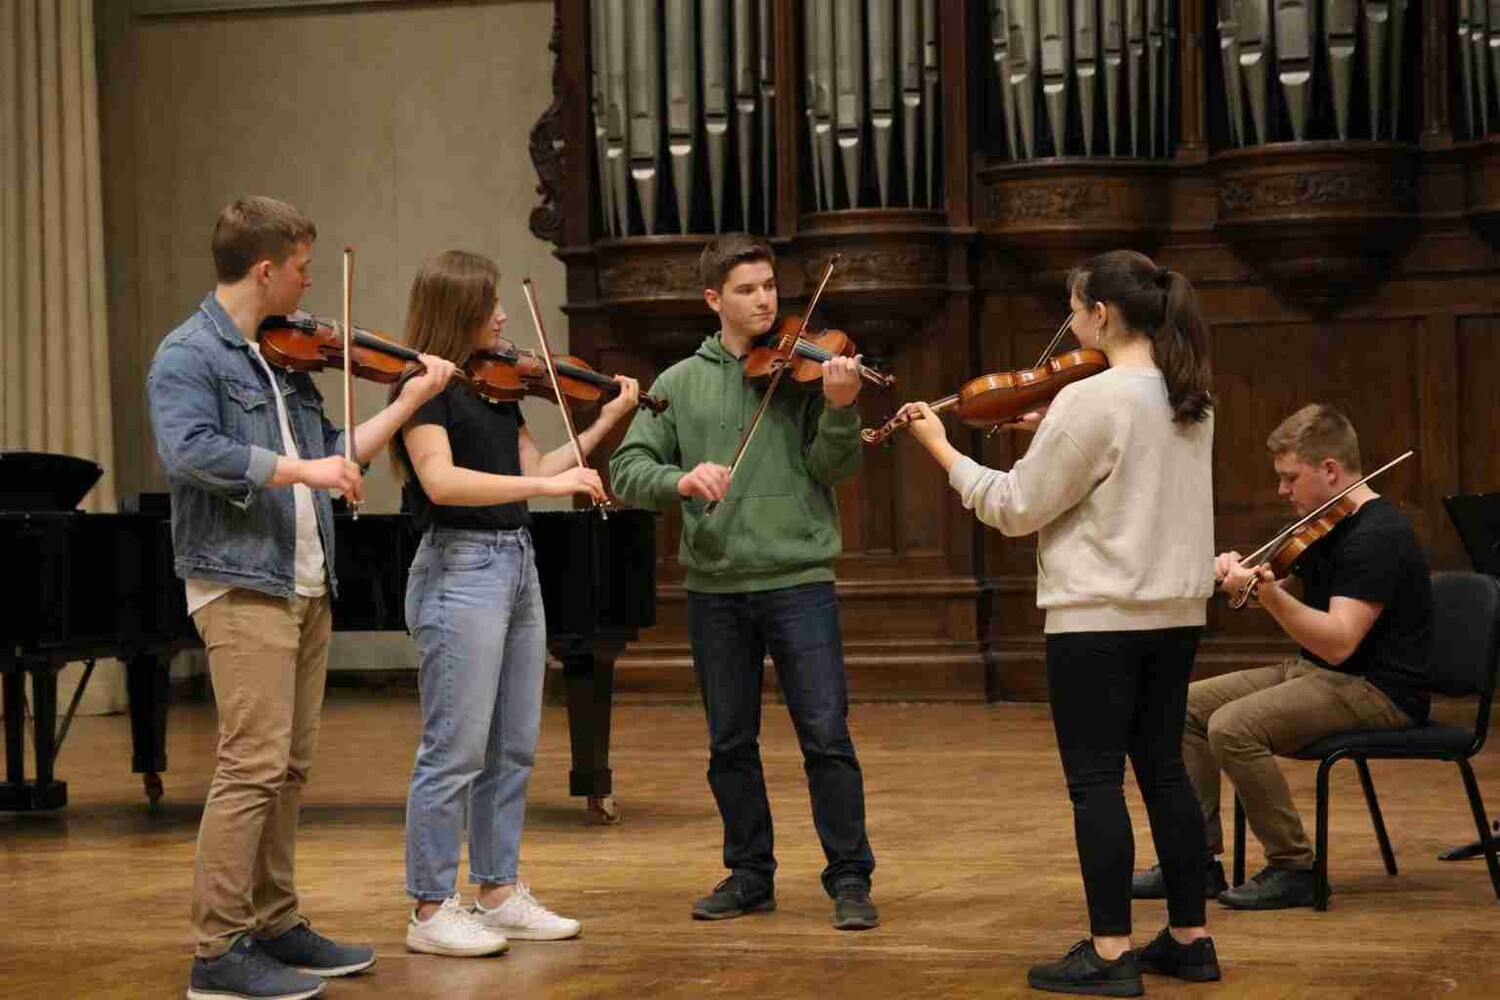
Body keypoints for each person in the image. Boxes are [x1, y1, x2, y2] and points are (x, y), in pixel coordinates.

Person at [149, 195, 458, 1000]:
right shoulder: (189, 355)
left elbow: (334, 454)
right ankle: (218, 950)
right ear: (265, 270)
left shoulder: (283, 359)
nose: (309, 282)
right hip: (242, 581)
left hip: (305, 579)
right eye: (301, 267)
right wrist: (303, 471)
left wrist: (407, 402)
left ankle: (275, 922)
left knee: (287, 769)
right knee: (250, 767)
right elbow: (191, 453)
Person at [900, 249, 1220, 995]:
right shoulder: (1192, 396)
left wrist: (939, 447)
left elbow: (1013, 508)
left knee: (1096, 783)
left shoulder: (1091, 400)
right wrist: (1054, 430)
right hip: (1176, 613)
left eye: (1075, 311)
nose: (1071, 325)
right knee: (1164, 772)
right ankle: (1190, 940)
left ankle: (1110, 954)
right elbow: (1128, 462)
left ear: (1101, 315)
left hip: (1097, 619)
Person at [608, 234, 880, 931]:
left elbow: (834, 469)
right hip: (716, 587)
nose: (764, 301)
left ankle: (850, 877)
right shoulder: (677, 382)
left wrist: (842, 408)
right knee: (730, 742)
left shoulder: (807, 372)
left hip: (799, 579)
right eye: (747, 290)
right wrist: (681, 479)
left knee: (826, 736)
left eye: (769, 287)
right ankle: (750, 874)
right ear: (713, 299)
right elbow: (627, 470)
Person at [390, 250, 639, 956]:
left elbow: (538, 469)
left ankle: (496, 893)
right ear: (456, 311)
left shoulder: (497, 388)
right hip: (459, 566)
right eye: (489, 304)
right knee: (455, 748)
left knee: (513, 745)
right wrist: (548, 490)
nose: (502, 316)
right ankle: (430, 908)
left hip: (516, 563)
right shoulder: (422, 386)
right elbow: (441, 482)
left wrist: (604, 423)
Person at [1132, 403, 1433, 910]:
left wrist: (1268, 595)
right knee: (1179, 709)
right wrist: (1246, 582)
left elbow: (1338, 640)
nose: (1281, 490)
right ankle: (1194, 861)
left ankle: (1295, 868)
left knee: (1233, 727)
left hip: (1378, 689)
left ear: (1330, 470)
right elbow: (1297, 597)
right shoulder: (1328, 525)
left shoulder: (1378, 536)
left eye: (1291, 478)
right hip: (1321, 672)